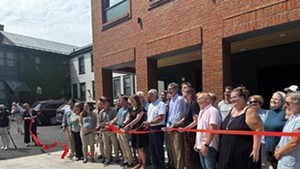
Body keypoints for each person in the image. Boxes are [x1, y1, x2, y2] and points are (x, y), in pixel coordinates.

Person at [218, 86, 263, 169]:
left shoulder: (249, 111)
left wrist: (255, 150)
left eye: (234, 97)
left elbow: (259, 129)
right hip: (227, 152)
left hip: (242, 153)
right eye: (231, 98)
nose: (232, 100)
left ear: (242, 98)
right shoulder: (232, 110)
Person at [195, 92, 221, 169]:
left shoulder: (212, 111)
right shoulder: (201, 111)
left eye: (200, 99)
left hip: (209, 147)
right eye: (197, 99)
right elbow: (200, 129)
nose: (198, 101)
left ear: (208, 100)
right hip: (201, 146)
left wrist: (206, 145)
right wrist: (197, 143)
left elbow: (212, 128)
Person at [274, 91, 300, 169]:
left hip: (292, 161)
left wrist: (279, 152)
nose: (285, 105)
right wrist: (278, 147)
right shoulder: (292, 117)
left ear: (298, 104)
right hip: (284, 159)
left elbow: (294, 142)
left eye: (288, 103)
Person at [177, 88, 201, 169]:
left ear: (190, 95)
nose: (184, 97)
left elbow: (196, 121)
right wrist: (179, 122)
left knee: (191, 155)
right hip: (187, 134)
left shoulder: (194, 104)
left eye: (185, 95)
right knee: (187, 154)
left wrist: (185, 129)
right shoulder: (188, 104)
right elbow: (185, 117)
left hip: (192, 134)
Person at [124, 95, 148, 169]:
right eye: (130, 101)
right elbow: (128, 117)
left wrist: (128, 125)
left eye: (133, 101)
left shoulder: (141, 109)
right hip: (133, 130)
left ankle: (144, 164)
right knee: (136, 148)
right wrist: (124, 123)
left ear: (137, 101)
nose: (131, 103)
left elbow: (137, 119)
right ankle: (139, 162)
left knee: (140, 148)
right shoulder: (130, 108)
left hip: (139, 129)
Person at [143, 89, 166, 169]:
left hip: (158, 128)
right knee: (152, 149)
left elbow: (161, 117)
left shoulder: (161, 104)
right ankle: (156, 166)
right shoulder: (150, 105)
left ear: (156, 95)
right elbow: (149, 118)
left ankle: (161, 166)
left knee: (158, 149)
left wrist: (149, 123)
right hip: (150, 128)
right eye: (149, 95)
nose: (149, 97)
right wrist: (147, 124)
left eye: (151, 95)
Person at [166, 82, 186, 169]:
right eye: (168, 89)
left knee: (178, 151)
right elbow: (170, 115)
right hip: (170, 128)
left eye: (171, 89)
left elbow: (179, 115)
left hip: (176, 128)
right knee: (172, 150)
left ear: (176, 89)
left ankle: (179, 167)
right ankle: (174, 166)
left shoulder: (180, 99)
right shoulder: (171, 100)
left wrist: (172, 126)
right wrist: (168, 126)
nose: (169, 91)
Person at [110, 96, 134, 168]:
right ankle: (125, 160)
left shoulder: (129, 109)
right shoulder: (120, 109)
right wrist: (111, 122)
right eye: (120, 101)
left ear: (126, 101)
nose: (121, 102)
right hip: (118, 129)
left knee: (126, 146)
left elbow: (128, 118)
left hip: (125, 129)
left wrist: (123, 124)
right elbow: (116, 118)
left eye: (123, 101)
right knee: (122, 146)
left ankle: (130, 161)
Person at [264, 91, 286, 169]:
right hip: (269, 147)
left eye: (276, 99)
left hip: (281, 148)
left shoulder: (286, 113)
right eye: (272, 98)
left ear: (283, 102)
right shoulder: (269, 112)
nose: (273, 100)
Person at [97, 96, 119, 166]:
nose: (104, 104)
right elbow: (99, 122)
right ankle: (108, 159)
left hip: (112, 131)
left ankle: (117, 158)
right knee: (106, 146)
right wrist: (101, 125)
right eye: (103, 103)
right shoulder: (101, 112)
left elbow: (115, 120)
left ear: (108, 103)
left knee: (115, 145)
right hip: (104, 131)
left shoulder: (113, 110)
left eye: (105, 102)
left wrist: (107, 123)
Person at [248, 95, 268, 167]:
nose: (253, 103)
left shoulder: (266, 113)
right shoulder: (247, 114)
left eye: (255, 102)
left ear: (260, 102)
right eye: (251, 102)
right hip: (250, 141)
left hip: (262, 141)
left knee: (263, 164)